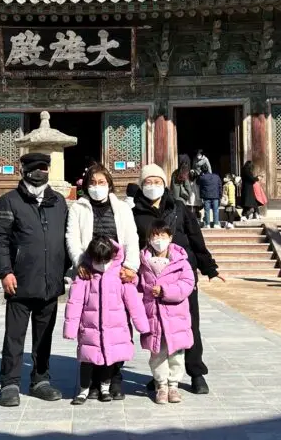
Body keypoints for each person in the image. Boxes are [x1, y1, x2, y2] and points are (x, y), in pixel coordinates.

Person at [132, 163, 222, 395]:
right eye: (148, 182)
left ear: (165, 184)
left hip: (182, 278)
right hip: (153, 281)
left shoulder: (179, 208)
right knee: (158, 328)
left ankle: (196, 372)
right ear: (141, 186)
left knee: (189, 325)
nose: (153, 186)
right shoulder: (135, 214)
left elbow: (195, 238)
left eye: (158, 181)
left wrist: (209, 267)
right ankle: (161, 376)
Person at [0, 152, 70, 407]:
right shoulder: (9, 201)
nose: (40, 173)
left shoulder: (58, 201)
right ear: (23, 170)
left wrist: (65, 269)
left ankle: (40, 380)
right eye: (35, 168)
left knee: (44, 335)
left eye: (44, 168)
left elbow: (67, 239)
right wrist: (5, 271)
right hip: (20, 280)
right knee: (15, 336)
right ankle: (9, 382)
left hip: (51, 280)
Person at [66, 163, 141, 400]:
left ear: (109, 184)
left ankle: (114, 379)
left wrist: (131, 266)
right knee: (92, 325)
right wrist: (80, 263)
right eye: (92, 183)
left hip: (116, 271)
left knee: (117, 326)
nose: (97, 187)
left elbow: (131, 238)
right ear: (86, 185)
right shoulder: (78, 207)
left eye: (101, 182)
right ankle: (92, 382)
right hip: (90, 268)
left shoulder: (122, 208)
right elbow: (72, 237)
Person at [63, 236, 149, 405]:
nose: (102, 264)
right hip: (90, 327)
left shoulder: (121, 274)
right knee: (87, 358)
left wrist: (142, 326)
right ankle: (83, 389)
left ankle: (105, 386)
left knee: (111, 358)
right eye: (98, 260)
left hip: (115, 326)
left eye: (105, 260)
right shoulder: (85, 276)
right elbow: (75, 303)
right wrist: (70, 329)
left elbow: (133, 302)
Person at [138, 220, 195, 405]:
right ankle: (161, 385)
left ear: (170, 237)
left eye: (163, 236)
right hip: (153, 316)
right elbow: (137, 287)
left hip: (175, 316)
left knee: (177, 353)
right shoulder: (143, 262)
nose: (159, 240)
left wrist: (165, 291)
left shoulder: (181, 262)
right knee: (157, 353)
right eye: (155, 236)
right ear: (149, 238)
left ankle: (174, 385)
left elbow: (187, 284)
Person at [170, 155, 199, 219]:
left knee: (175, 213)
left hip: (174, 196)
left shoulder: (174, 173)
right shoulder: (184, 173)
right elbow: (187, 186)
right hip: (182, 197)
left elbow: (171, 185)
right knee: (181, 214)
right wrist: (190, 194)